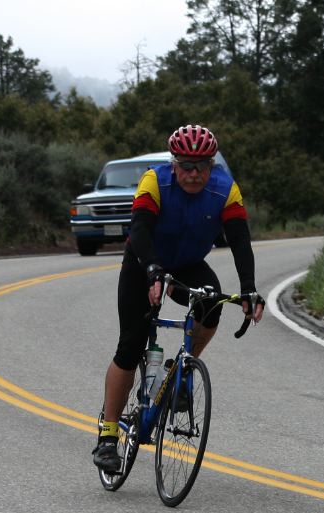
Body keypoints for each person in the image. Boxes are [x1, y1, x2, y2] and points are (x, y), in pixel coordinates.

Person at [92, 124, 264, 472]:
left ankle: (182, 370)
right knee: (131, 345)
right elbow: (138, 229)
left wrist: (249, 287)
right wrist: (153, 270)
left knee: (211, 305)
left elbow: (240, 240)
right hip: (144, 261)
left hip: (187, 264)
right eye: (186, 165)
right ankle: (108, 437)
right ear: (174, 163)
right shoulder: (154, 181)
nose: (194, 173)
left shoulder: (225, 190)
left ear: (212, 165)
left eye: (202, 165)